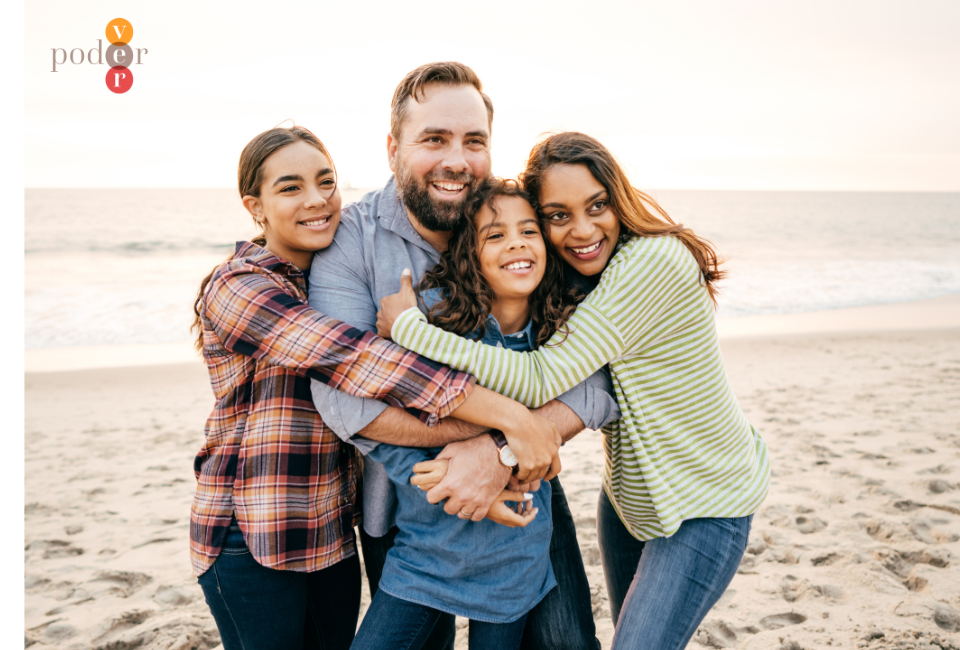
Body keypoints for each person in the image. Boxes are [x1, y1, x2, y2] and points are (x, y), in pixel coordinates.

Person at [379, 131, 771, 650]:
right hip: (631, 501)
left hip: (707, 501)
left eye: (598, 206)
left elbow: (541, 377)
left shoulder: (650, 262)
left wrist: (410, 329)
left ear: (619, 199)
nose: (582, 229)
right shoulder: (588, 275)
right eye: (559, 216)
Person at [190, 125, 561, 650]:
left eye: (326, 181)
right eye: (290, 188)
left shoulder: (323, 271)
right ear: (256, 207)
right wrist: (513, 418)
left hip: (331, 527)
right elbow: (356, 360)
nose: (317, 200)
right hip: (253, 532)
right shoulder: (239, 287)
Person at [309, 63, 617, 650]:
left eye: (474, 141)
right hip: (408, 510)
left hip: (523, 496)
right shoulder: (352, 240)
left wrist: (499, 451)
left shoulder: (519, 219)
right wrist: (502, 425)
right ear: (394, 147)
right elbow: (341, 394)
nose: (457, 160)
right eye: (434, 139)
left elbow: (595, 375)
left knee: (568, 644)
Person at [351, 178, 620, 650]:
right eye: (494, 235)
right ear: (469, 255)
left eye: (528, 230)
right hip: (426, 552)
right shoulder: (431, 317)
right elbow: (382, 431)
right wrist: (445, 482)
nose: (515, 242)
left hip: (514, 554)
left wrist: (504, 466)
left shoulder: (563, 333)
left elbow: (594, 397)